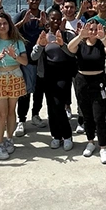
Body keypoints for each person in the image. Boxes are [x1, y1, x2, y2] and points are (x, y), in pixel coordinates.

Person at [67, 21, 106, 164]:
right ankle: (90, 141)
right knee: (86, 114)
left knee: (99, 115)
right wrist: (79, 36)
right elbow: (70, 48)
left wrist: (103, 38)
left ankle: (103, 146)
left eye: (95, 29)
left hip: (98, 82)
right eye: (90, 29)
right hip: (82, 81)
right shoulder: (80, 44)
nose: (93, 31)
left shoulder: (102, 44)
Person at [0, 13, 28, 160]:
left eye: (4, 23)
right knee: (1, 114)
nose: (2, 26)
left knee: (11, 111)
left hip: (15, 76)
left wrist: (14, 55)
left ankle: (9, 138)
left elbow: (25, 62)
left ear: (9, 25)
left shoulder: (17, 41)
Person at [32, 9, 77, 150]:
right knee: (51, 107)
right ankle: (56, 136)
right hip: (47, 74)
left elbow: (72, 53)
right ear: (48, 20)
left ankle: (67, 135)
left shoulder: (67, 35)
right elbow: (33, 56)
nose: (56, 22)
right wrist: (41, 45)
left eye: (58, 19)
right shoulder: (43, 35)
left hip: (63, 73)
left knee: (58, 104)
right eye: (53, 19)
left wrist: (62, 44)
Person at [14, 0, 48, 133]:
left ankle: (35, 115)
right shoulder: (21, 14)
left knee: (39, 91)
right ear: (27, 1)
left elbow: (48, 33)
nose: (34, 2)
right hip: (25, 59)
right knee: (24, 92)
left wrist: (44, 25)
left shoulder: (43, 15)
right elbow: (10, 31)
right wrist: (23, 21)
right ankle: (21, 120)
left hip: (40, 60)